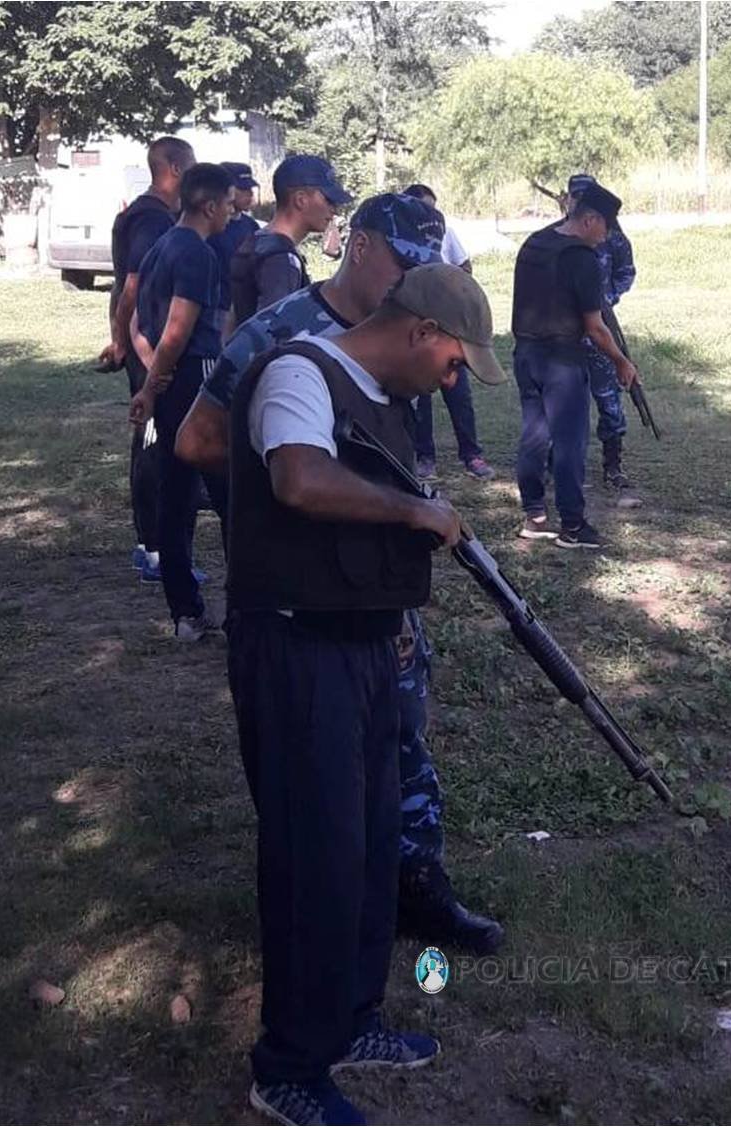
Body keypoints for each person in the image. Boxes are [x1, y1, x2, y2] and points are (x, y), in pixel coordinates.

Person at [175, 194, 505, 955]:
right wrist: (295, 475)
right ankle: (324, 922)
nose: (413, 284)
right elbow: (197, 440)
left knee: (399, 737)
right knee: (318, 770)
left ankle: (410, 886)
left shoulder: (408, 340)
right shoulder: (281, 335)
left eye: (429, 271)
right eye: (404, 265)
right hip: (307, 594)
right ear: (358, 247)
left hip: (377, 583)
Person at [228, 263, 506, 1125]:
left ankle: (351, 1021)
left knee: (369, 848)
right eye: (456, 362)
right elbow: (300, 481)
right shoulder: (297, 373)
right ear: (422, 330)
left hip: (361, 647)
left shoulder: (376, 394)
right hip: (296, 646)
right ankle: (289, 1068)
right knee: (315, 856)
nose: (454, 380)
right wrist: (409, 511)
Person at [127, 162, 233, 640]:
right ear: (210, 205)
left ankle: (185, 614)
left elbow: (134, 321)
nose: (232, 210)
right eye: (229, 203)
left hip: (169, 379)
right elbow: (178, 329)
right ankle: (249, 609)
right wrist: (154, 384)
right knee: (231, 494)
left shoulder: (160, 247)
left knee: (176, 494)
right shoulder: (197, 252)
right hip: (197, 377)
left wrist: (151, 374)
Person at [511, 183, 638, 549]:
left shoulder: (535, 242)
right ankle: (572, 526)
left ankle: (534, 517)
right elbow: (596, 327)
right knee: (569, 443)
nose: (607, 236)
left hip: (526, 353)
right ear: (590, 219)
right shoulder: (581, 259)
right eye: (606, 227)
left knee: (534, 436)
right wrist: (621, 362)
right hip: (562, 362)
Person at [98, 136, 195, 579]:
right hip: (149, 347)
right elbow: (133, 287)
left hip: (149, 343)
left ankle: (153, 542)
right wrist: (127, 343)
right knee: (154, 441)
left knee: (156, 439)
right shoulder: (150, 220)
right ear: (174, 167)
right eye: (191, 166)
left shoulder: (158, 215)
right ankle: (153, 546)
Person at [402, 183, 494, 482]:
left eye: (431, 207)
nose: (428, 214)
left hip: (448, 329)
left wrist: (448, 287)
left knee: (459, 393)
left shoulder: (444, 232)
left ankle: (472, 455)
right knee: (420, 398)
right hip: (413, 331)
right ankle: (424, 456)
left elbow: (465, 267)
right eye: (421, 207)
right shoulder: (399, 240)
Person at [567, 173, 640, 506]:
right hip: (568, 332)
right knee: (565, 401)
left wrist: (608, 296)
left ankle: (613, 464)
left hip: (602, 326)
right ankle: (561, 462)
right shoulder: (561, 236)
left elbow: (627, 271)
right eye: (573, 196)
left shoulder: (613, 236)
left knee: (609, 400)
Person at [229, 154, 351, 324]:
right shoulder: (280, 258)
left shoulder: (255, 241)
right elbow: (273, 332)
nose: (334, 209)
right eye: (329, 200)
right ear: (301, 200)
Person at [208, 161, 260, 341]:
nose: (250, 195)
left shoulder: (251, 226)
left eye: (251, 189)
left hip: (243, 308)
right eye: (243, 189)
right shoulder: (213, 227)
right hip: (217, 307)